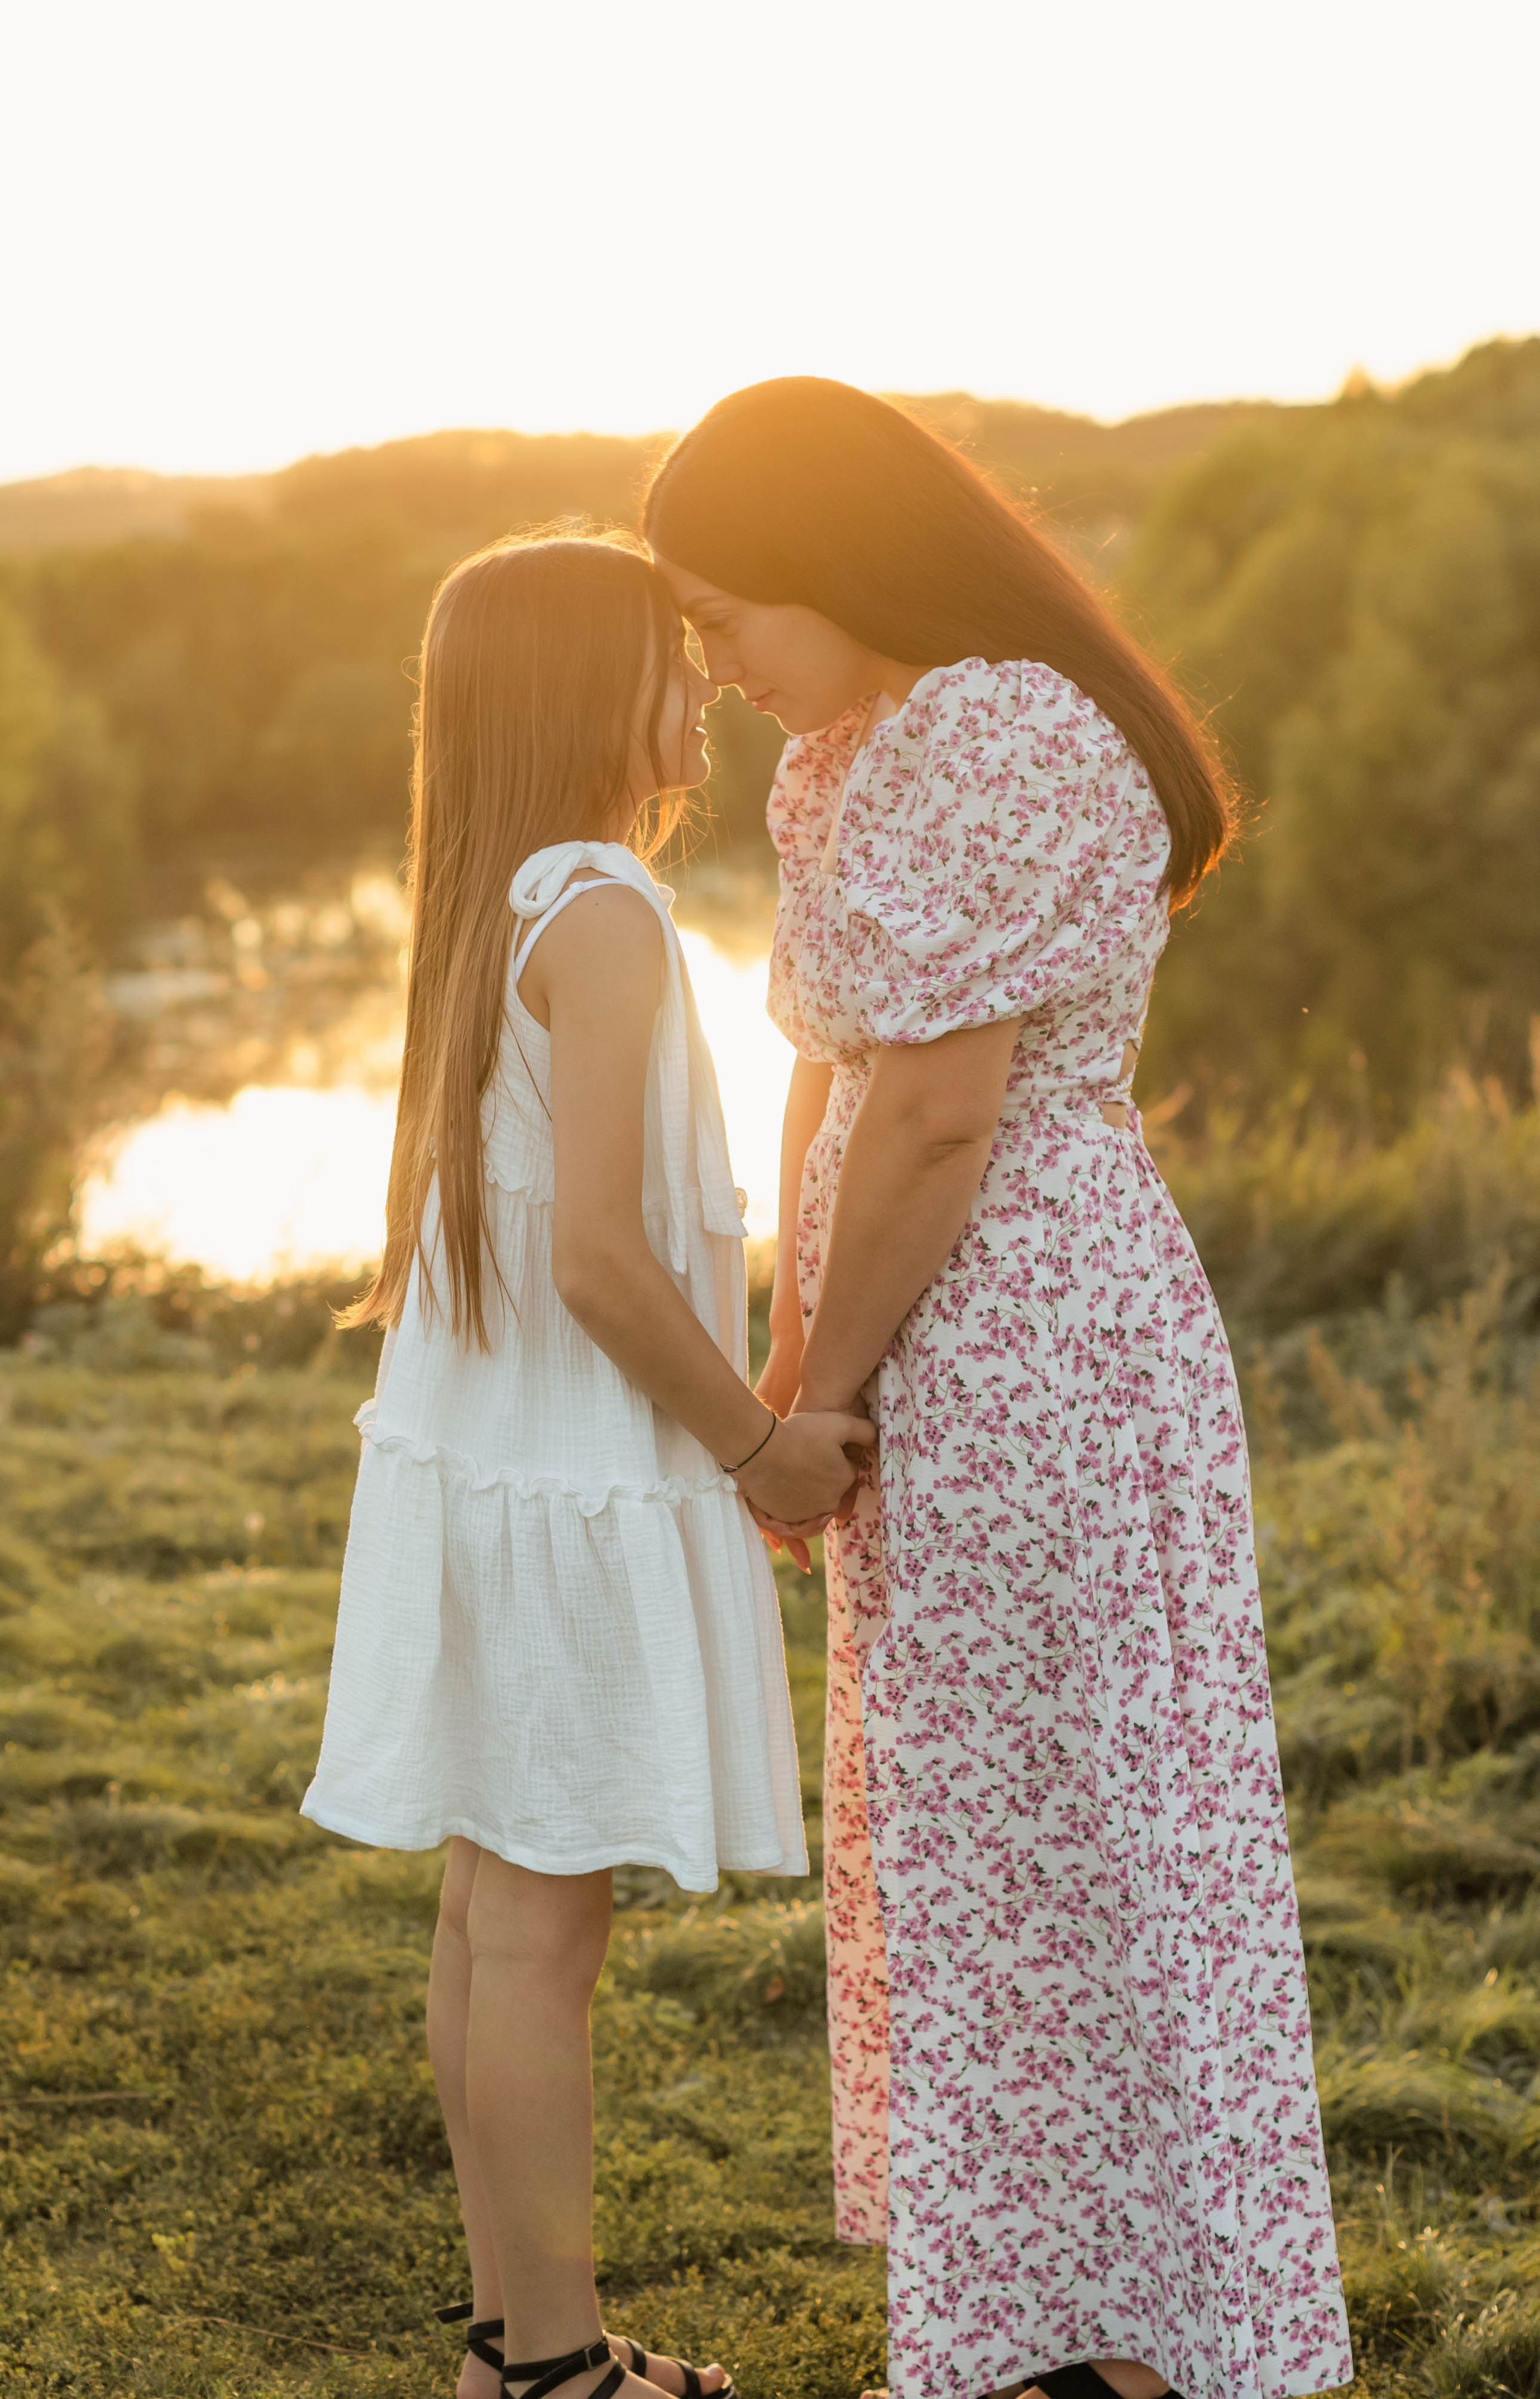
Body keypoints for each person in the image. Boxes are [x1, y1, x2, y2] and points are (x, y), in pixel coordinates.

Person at [645, 381, 1352, 2399]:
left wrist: (816, 1398)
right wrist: (797, 1355)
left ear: (835, 562)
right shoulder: (863, 746)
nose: (714, 669)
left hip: (1023, 1325)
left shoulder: (1005, 727)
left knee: (1082, 1825)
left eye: (725, 619)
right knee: (987, 1825)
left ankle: (1136, 2339)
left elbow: (945, 1115)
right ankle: (1054, 2318)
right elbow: (834, 1058)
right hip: (925, 1321)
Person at [300, 532, 872, 2399]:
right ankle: (556, 2367)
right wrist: (764, 1440)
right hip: (563, 1485)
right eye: (663, 656)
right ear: (579, 691)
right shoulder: (609, 911)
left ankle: (508, 2344)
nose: (694, 687)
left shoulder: (501, 900)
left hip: (484, 1469)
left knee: (493, 1911)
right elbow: (606, 1256)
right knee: (544, 1935)